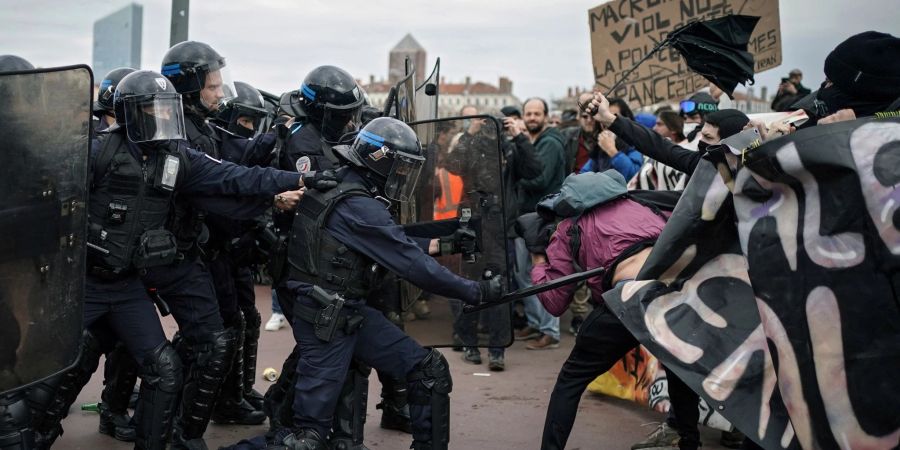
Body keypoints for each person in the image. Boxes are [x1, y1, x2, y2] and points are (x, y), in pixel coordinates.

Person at [28, 69, 321, 450]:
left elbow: (234, 177)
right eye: (151, 110)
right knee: (47, 379)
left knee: (164, 371)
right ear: (131, 113)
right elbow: (46, 206)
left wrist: (297, 180)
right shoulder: (96, 152)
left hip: (128, 285)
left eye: (166, 110)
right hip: (84, 285)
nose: (161, 119)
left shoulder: (177, 156)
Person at [278, 117, 504, 450]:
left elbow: (394, 241)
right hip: (327, 320)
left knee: (429, 372)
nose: (402, 176)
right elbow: (413, 265)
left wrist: (447, 239)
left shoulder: (346, 187)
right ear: (380, 160)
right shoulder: (359, 205)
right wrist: (476, 291)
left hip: (345, 313)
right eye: (400, 168)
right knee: (307, 437)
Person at [524, 170, 702, 450]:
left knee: (570, 380)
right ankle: (689, 443)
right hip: (673, 293)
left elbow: (555, 303)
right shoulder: (647, 206)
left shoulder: (568, 228)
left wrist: (537, 259)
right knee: (678, 366)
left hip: (627, 299)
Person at [157, 40, 269, 446]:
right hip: (181, 253)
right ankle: (170, 426)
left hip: (202, 249)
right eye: (213, 87)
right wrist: (275, 193)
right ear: (188, 87)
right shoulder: (175, 132)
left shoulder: (201, 125)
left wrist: (278, 141)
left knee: (224, 333)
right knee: (203, 342)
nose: (220, 94)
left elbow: (238, 157)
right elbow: (224, 180)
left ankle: (184, 422)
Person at [447, 104, 542, 369]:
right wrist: (470, 132)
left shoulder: (509, 148)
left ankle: (497, 348)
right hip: (472, 222)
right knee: (468, 282)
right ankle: (469, 342)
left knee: (499, 285)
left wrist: (519, 136)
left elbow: (535, 170)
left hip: (499, 225)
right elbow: (452, 164)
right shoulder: (473, 145)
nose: (492, 129)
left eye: (496, 124)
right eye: (490, 124)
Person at [207, 80, 279, 425]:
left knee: (247, 318)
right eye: (247, 122)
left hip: (236, 249)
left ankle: (239, 389)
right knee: (220, 329)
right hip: (213, 250)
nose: (249, 130)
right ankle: (222, 399)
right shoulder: (213, 147)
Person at [512, 97, 566, 350]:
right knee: (523, 273)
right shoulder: (531, 141)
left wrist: (511, 177)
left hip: (544, 217)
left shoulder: (551, 143)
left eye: (537, 113)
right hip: (528, 215)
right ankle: (535, 322)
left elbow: (540, 179)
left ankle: (550, 331)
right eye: (528, 113)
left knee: (543, 272)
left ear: (545, 116)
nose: (532, 117)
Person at [577, 97, 643, 181]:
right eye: (603, 117)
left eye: (613, 117)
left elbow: (634, 175)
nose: (607, 122)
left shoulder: (635, 143)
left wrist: (612, 151)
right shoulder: (600, 147)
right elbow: (584, 175)